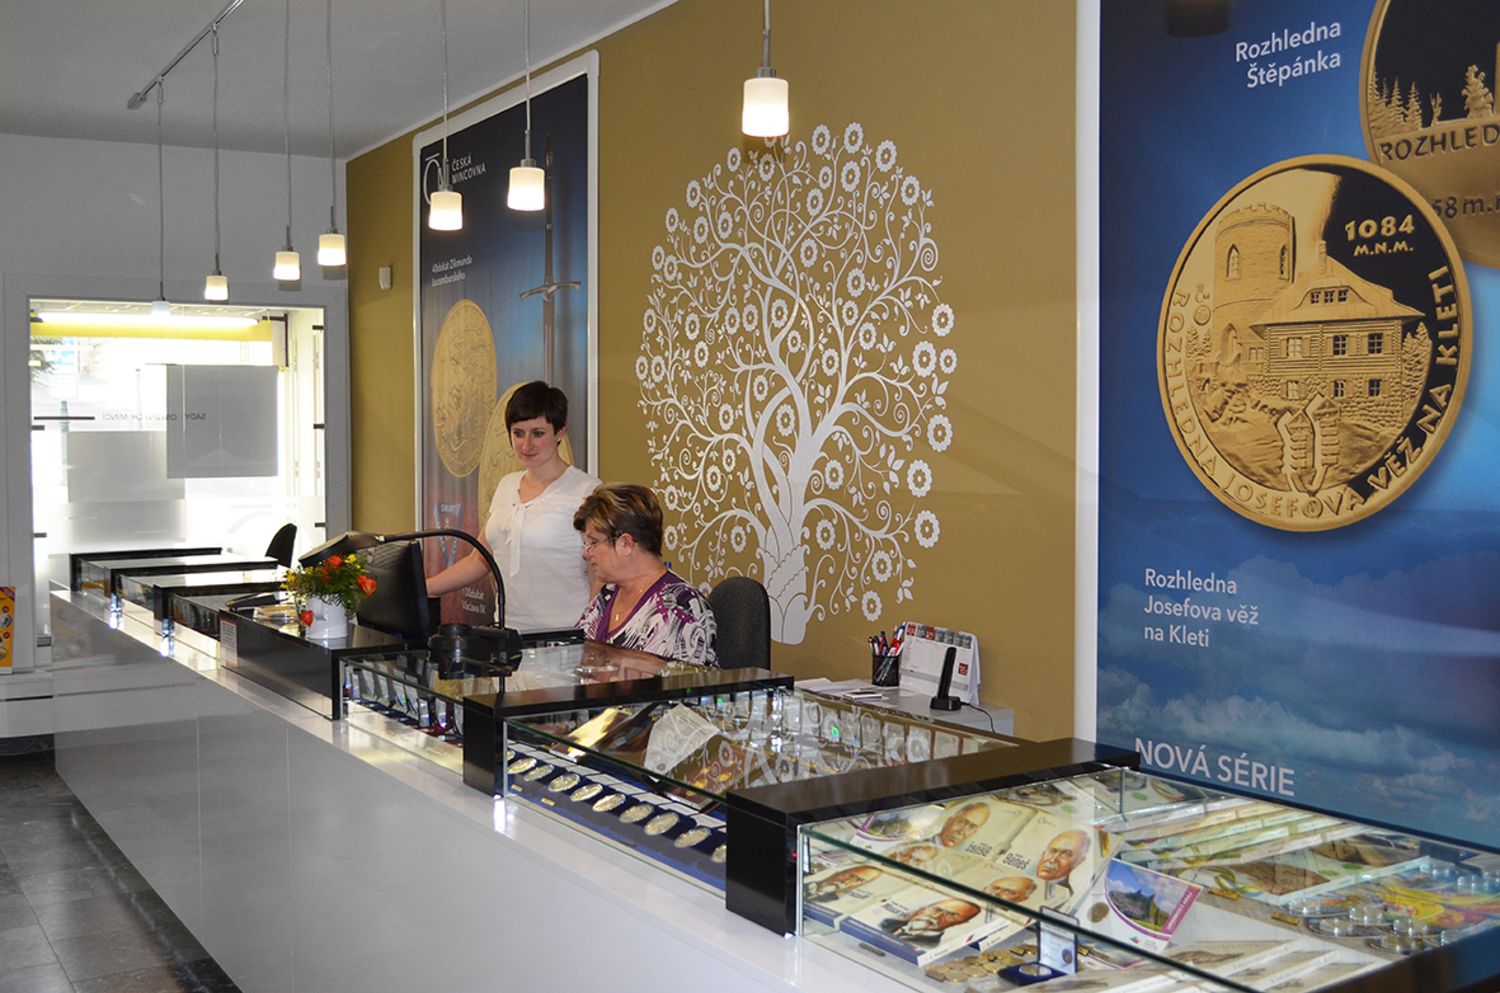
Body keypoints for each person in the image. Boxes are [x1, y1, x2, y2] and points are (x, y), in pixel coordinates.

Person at [427, 382, 600, 632]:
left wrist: (595, 638)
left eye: (537, 433)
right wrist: (424, 588)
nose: (526, 445)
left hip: (566, 638)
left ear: (560, 432)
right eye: (518, 433)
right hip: (508, 635)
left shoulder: (587, 491)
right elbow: (479, 560)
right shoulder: (506, 485)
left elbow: (599, 575)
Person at [574, 483, 717, 666]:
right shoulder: (607, 595)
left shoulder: (679, 607)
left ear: (626, 544)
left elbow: (668, 682)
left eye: (593, 542)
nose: (586, 554)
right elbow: (576, 658)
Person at [880, 898, 980, 946]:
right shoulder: (887, 922)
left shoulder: (930, 945)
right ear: (923, 909)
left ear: (961, 922)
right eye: (936, 909)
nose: (936, 916)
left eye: (951, 915)